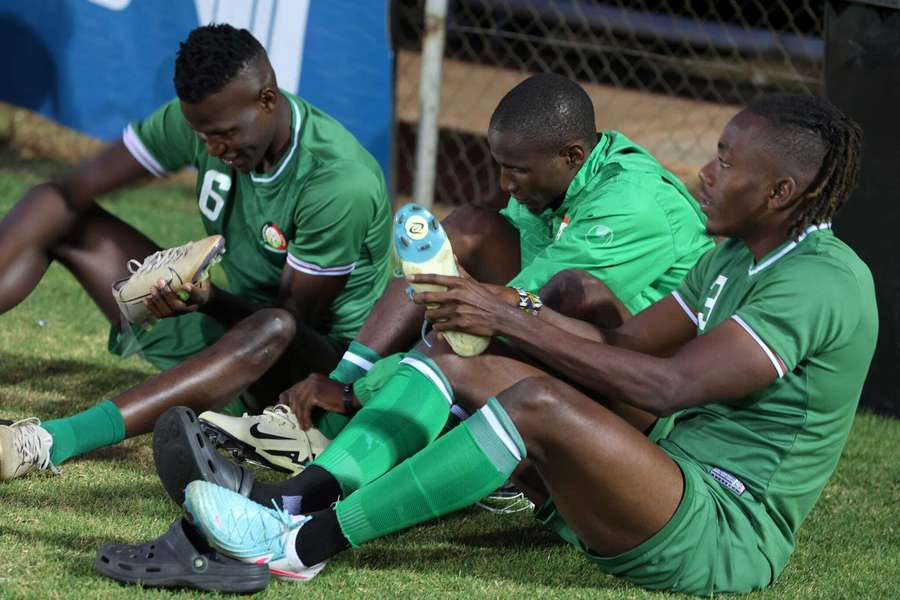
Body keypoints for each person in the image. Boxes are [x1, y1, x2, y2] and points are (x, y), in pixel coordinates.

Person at [171, 93, 876, 595]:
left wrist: (510, 317)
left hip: (721, 532)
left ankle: (298, 549)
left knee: (533, 398)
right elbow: (627, 341)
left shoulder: (821, 284)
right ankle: (291, 504)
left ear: (782, 191)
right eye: (715, 156)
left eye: (727, 162)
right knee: (466, 364)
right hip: (657, 476)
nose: (706, 173)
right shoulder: (736, 253)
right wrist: (503, 308)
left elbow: (667, 386)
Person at [203, 72, 714, 459]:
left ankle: (344, 422)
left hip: (643, 399)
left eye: (516, 171)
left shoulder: (630, 206)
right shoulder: (566, 173)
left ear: (572, 154)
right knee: (468, 228)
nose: (507, 184)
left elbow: (511, 312)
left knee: (482, 314)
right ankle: (317, 410)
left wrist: (361, 393)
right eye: (500, 166)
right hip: (565, 334)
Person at [0, 24, 391, 480]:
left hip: (309, 375)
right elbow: (77, 188)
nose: (213, 148)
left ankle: (44, 443)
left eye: (224, 134)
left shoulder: (337, 181)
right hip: (225, 326)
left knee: (274, 324)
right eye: (201, 135)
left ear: (267, 100)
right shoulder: (207, 119)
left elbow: (291, 326)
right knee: (52, 202)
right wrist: (191, 297)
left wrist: (209, 299)